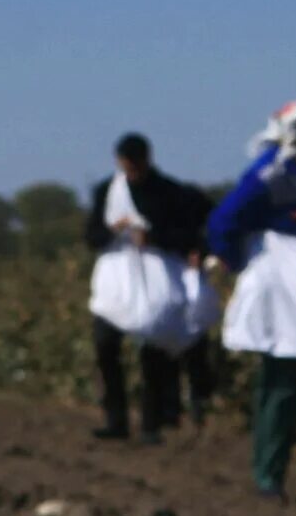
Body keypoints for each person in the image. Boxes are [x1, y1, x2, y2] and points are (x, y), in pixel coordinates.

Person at [207, 102, 296, 498]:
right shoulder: (272, 173)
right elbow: (223, 223)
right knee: (281, 387)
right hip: (284, 299)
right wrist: (243, 263)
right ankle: (270, 478)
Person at [85, 133, 216, 444]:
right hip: (117, 281)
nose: (132, 172)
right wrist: (111, 230)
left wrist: (155, 238)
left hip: (157, 279)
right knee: (105, 346)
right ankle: (115, 419)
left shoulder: (169, 192)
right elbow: (91, 237)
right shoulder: (108, 191)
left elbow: (192, 233)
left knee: (154, 348)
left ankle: (151, 423)